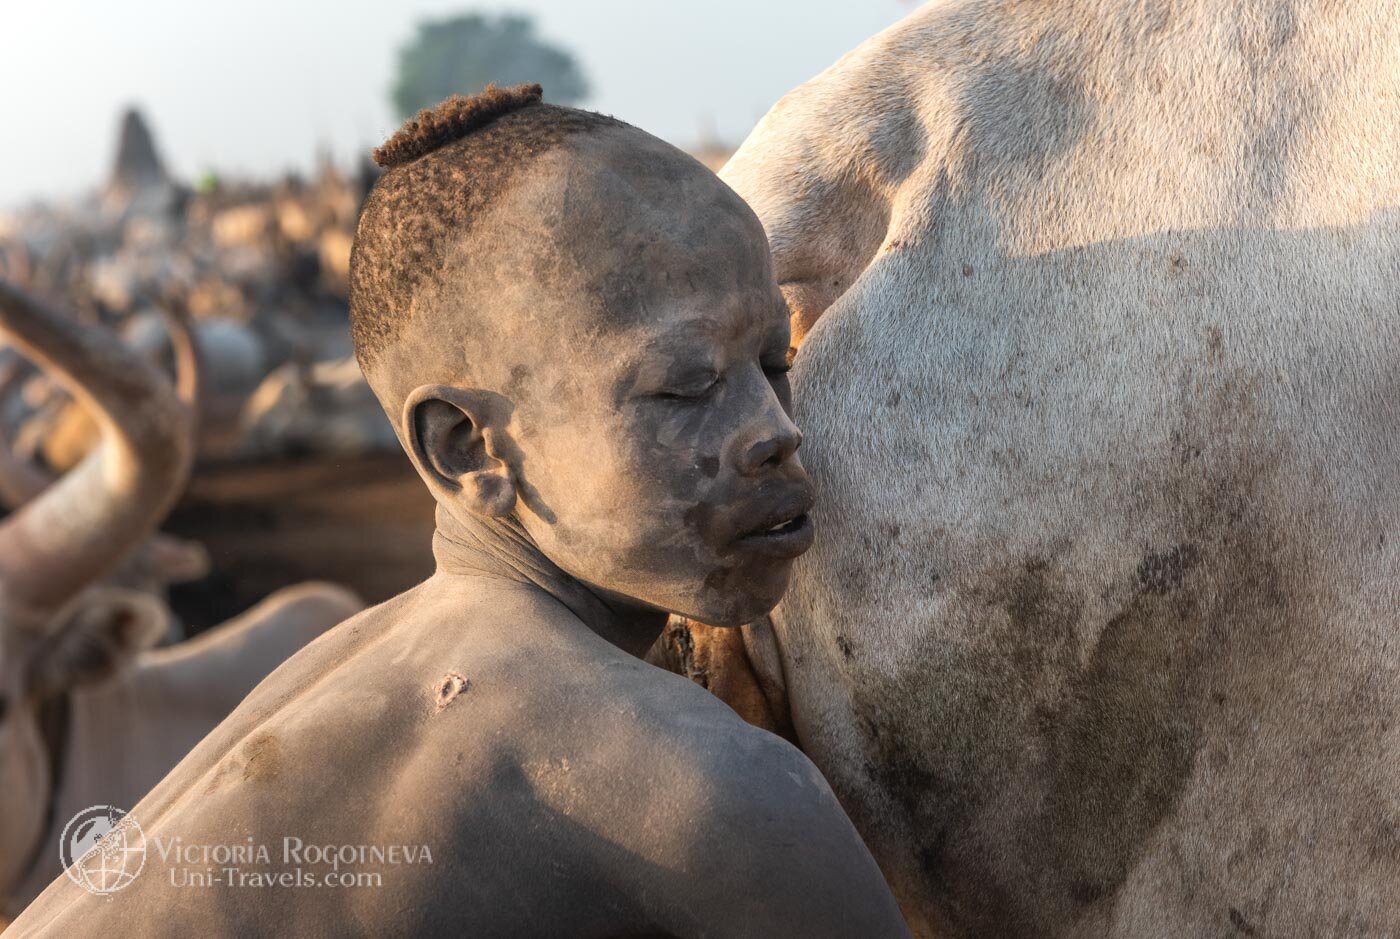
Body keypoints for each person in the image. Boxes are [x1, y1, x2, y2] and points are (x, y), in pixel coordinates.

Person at [6, 84, 909, 937]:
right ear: (467, 449)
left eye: (775, 364)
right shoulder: (714, 794)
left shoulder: (349, 673)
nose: (774, 430)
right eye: (686, 386)